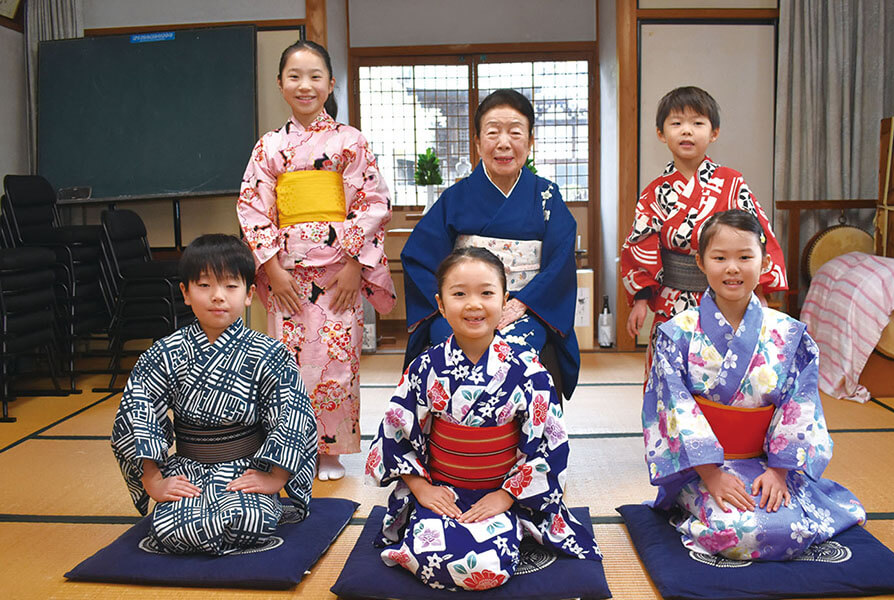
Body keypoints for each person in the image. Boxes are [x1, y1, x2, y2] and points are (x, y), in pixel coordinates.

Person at [365, 247, 600, 591]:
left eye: (486, 293)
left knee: (485, 567)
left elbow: (548, 445)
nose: (473, 304)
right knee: (433, 556)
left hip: (505, 491)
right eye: (459, 294)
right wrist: (422, 488)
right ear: (440, 304)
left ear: (505, 302)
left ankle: (512, 524)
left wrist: (506, 496)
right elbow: (396, 432)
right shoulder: (425, 367)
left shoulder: (529, 370)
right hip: (443, 491)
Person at [642, 210, 865, 561]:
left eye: (745, 257)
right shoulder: (677, 334)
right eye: (720, 258)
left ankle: (783, 493)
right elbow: (672, 409)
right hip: (702, 468)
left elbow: (800, 405)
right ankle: (694, 510)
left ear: (765, 261)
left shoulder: (788, 334)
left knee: (788, 529)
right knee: (739, 533)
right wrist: (711, 475)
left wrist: (778, 471)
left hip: (767, 464)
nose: (733, 268)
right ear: (700, 262)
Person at [237, 40, 395, 481]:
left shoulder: (350, 141)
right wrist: (271, 268)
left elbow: (372, 202)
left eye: (314, 76)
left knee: (338, 364)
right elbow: (252, 207)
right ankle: (292, 450)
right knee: (287, 364)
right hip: (287, 276)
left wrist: (355, 265)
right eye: (294, 76)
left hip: (339, 274)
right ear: (280, 84)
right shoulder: (269, 147)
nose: (304, 85)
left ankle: (331, 450)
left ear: (330, 84)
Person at [110, 234, 316, 555]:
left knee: (249, 520)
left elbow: (293, 416)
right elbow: (139, 413)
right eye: (204, 285)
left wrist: (275, 477)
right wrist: (154, 479)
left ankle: (260, 505)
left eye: (231, 286)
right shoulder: (164, 353)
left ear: (249, 294)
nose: (218, 296)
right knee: (172, 529)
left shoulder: (269, 353)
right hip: (188, 471)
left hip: (246, 469)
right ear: (185, 293)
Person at [401, 89, 580, 400]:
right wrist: (452, 303)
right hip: (463, 307)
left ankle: (522, 427)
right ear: (477, 142)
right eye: (493, 132)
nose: (504, 143)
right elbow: (419, 258)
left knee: (515, 354)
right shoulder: (456, 198)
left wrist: (522, 303)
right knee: (445, 351)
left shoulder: (547, 197)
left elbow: (560, 263)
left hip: (523, 308)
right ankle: (452, 428)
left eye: (515, 132)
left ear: (530, 141)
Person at [621, 86, 787, 375]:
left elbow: (757, 237)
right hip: (672, 300)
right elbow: (640, 245)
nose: (687, 131)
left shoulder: (732, 184)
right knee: (669, 372)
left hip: (727, 297)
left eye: (697, 123)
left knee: (725, 372)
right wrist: (641, 300)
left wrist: (760, 290)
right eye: (676, 123)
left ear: (714, 133)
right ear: (661, 133)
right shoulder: (654, 193)